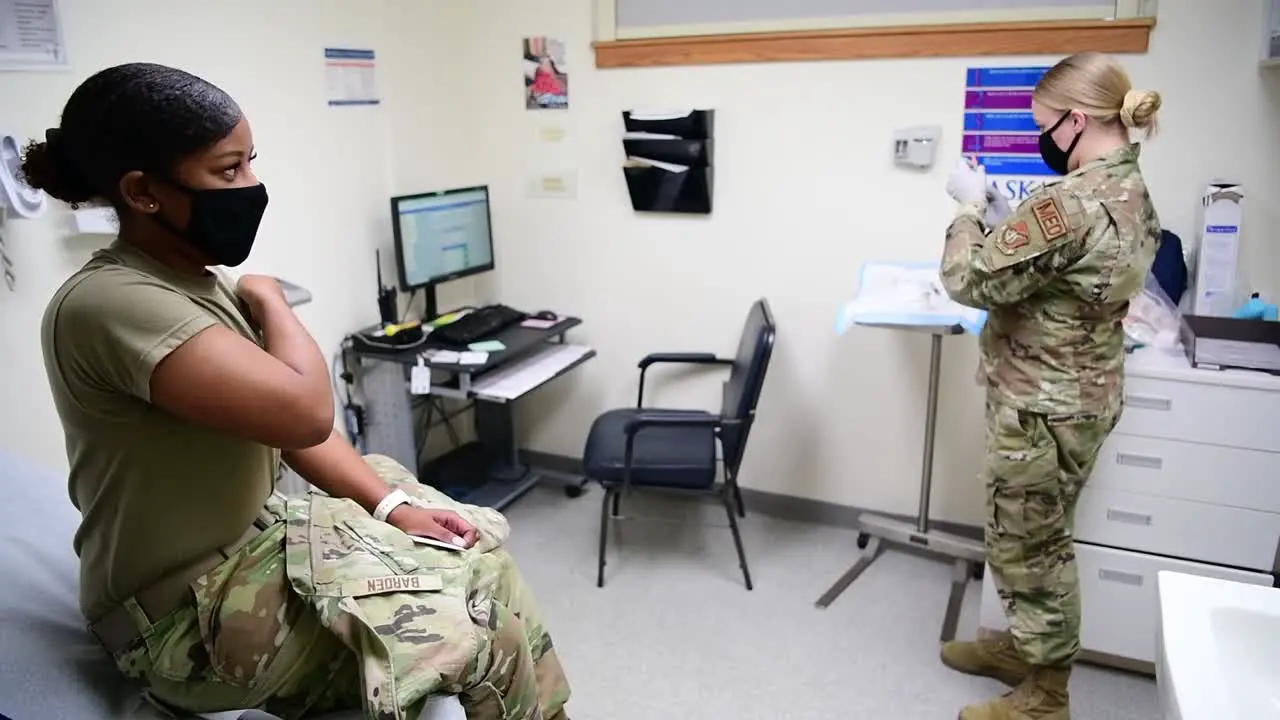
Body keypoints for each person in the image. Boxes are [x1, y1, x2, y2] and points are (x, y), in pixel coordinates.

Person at [24, 62, 572, 720]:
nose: (252, 187)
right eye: (228, 171)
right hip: (184, 618)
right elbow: (306, 412)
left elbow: (289, 432)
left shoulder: (190, 284)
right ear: (143, 192)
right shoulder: (112, 302)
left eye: (251, 163)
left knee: (477, 555)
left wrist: (395, 509)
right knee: (488, 638)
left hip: (254, 552)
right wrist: (273, 301)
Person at [937, 51, 1163, 719]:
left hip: (1041, 406)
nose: (1042, 139)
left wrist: (971, 211)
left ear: (1073, 120)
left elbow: (968, 278)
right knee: (1036, 533)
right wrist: (1014, 215)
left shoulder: (1072, 201)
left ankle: (1045, 696)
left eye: (1044, 125)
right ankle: (1020, 648)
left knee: (1031, 547)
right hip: (1081, 396)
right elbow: (1069, 276)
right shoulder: (1130, 190)